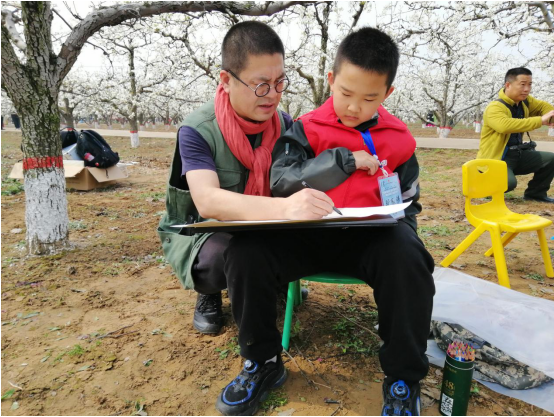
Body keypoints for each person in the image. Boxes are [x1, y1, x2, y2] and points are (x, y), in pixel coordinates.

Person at [215, 27, 435, 416]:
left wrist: (400, 232)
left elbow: (407, 202)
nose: (354, 107)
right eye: (346, 93)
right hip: (306, 237)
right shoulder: (307, 127)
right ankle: (262, 363)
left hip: (370, 241)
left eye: (369, 98)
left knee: (408, 256)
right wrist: (342, 161)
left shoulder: (400, 141)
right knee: (247, 250)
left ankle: (403, 378)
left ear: (388, 94)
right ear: (331, 80)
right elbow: (281, 181)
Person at [157, 22, 333, 335]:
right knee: (222, 257)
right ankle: (209, 292)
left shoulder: (285, 124)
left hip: (268, 227)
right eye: (261, 85)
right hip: (207, 234)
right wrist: (286, 209)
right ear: (226, 80)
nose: (273, 96)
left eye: (280, 83)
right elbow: (208, 201)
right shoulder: (198, 130)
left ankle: (272, 278)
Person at [477, 67, 554, 203]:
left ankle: (535, 194)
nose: (527, 89)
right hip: (497, 160)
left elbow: (544, 108)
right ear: (508, 85)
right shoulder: (495, 107)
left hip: (517, 155)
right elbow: (505, 126)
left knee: (551, 159)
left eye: (529, 84)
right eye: (522, 84)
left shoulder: (525, 102)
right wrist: (540, 120)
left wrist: (551, 117)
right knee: (509, 183)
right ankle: (486, 188)